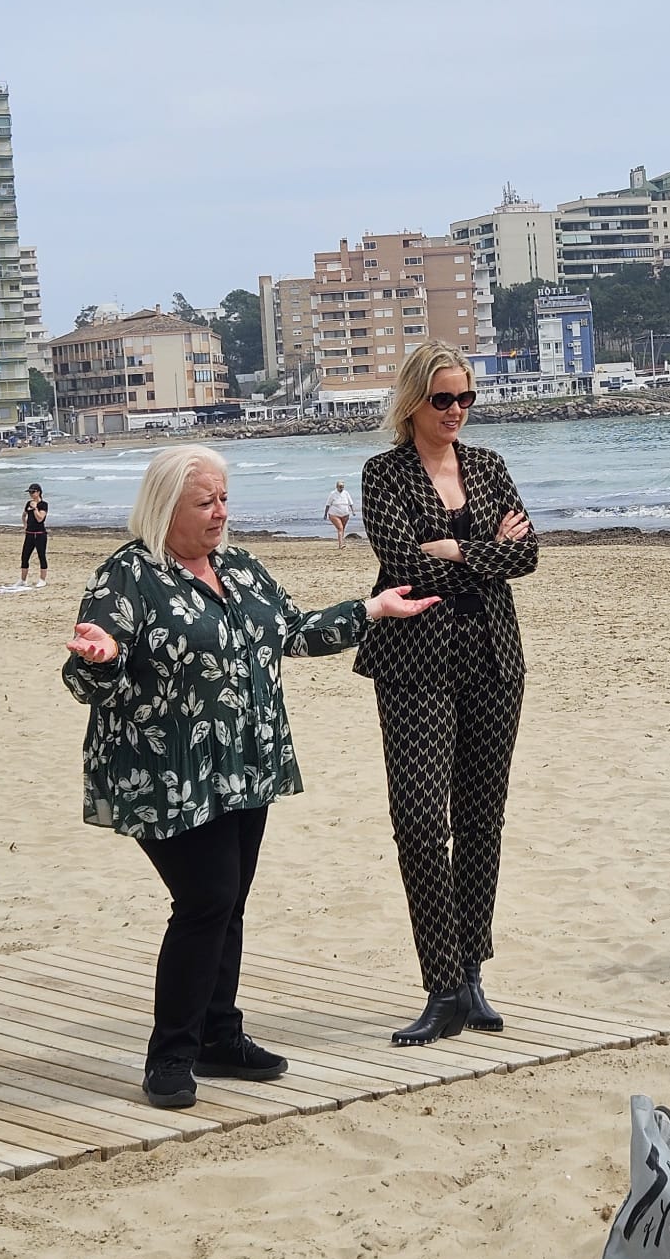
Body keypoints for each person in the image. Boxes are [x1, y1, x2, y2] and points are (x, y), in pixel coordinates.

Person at [62, 444, 435, 1109]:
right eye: (204, 502)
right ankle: (171, 1055)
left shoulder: (240, 568)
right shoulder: (127, 576)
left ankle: (219, 1034)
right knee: (206, 900)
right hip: (165, 770)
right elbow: (92, 675)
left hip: (243, 763)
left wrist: (371, 611)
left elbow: (291, 633)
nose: (219, 513)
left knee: (227, 902)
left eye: (224, 499)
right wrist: (102, 657)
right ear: (164, 506)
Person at [357, 342, 538, 1046]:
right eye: (442, 400)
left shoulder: (489, 465)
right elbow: (402, 565)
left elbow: (526, 552)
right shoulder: (384, 474)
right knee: (421, 823)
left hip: (495, 661)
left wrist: (455, 551)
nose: (456, 410)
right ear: (412, 403)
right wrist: (481, 554)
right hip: (414, 665)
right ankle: (440, 985)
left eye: (465, 398)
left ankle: (471, 975)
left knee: (481, 820)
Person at [20, 484, 50, 585]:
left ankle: (42, 580)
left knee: (41, 556)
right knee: (25, 556)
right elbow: (24, 515)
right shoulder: (28, 503)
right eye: (30, 492)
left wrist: (35, 508)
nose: (31, 494)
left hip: (40, 534)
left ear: (38, 492)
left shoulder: (43, 504)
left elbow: (40, 518)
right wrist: (25, 526)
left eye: (33, 492)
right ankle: (23, 580)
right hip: (29, 534)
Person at [322, 480, 355, 548]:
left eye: (342, 487)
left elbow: (350, 503)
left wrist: (353, 511)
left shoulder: (346, 493)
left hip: (345, 514)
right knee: (340, 528)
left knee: (343, 528)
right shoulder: (333, 494)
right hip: (334, 514)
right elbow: (328, 504)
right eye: (340, 487)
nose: (341, 488)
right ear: (337, 487)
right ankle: (340, 545)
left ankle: (341, 542)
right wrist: (325, 514)